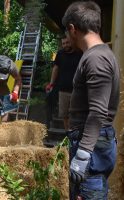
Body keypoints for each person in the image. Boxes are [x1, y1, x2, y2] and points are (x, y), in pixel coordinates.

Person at [62, 1, 120, 199]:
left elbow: (97, 111)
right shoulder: (99, 55)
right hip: (91, 140)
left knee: (89, 194)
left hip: (90, 144)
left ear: (72, 28)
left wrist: (83, 153)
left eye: (67, 33)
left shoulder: (96, 58)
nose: (67, 38)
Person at [46, 35, 82, 130]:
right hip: (63, 90)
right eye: (63, 43)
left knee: (76, 115)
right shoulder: (60, 54)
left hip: (77, 90)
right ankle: (69, 135)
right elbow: (56, 69)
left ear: (72, 42)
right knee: (65, 115)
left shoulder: (80, 53)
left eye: (67, 42)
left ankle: (77, 135)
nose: (65, 45)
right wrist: (51, 83)